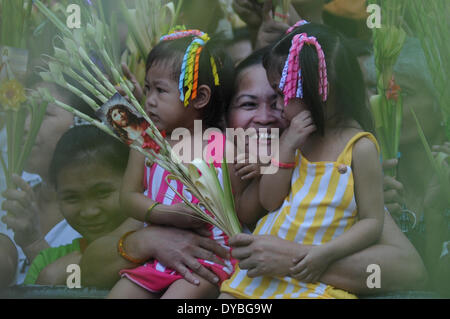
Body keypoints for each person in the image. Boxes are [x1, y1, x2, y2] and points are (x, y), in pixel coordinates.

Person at [220, 23, 411, 299]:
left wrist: (322, 255)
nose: (279, 108)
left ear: (317, 93)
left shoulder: (359, 148)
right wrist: (285, 147)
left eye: (282, 94)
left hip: (315, 280)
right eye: (249, 104)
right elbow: (269, 200)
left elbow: (372, 222)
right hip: (261, 277)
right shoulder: (294, 140)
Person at [107, 29, 240, 299]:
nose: (150, 101)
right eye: (147, 89)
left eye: (160, 90)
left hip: (206, 261)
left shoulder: (222, 146)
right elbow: (128, 197)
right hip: (155, 261)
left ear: (200, 98)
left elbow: (241, 209)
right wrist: (164, 214)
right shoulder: (146, 140)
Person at [364, 37, 449, 297]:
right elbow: (367, 282)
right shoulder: (364, 177)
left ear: (442, 107)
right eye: (384, 92)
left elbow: (441, 288)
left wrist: (436, 215)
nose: (390, 105)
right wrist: (370, 218)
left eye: (405, 94)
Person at [23, 125, 132, 285]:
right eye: (72, 198)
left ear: (135, 182)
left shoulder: (163, 252)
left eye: (102, 193)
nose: (89, 212)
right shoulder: (45, 263)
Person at [0, 82, 86, 285]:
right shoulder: (12, 191)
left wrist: (33, 242)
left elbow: (83, 285)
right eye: (23, 113)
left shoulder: (101, 208)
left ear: (80, 121)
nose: (26, 126)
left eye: (44, 114)